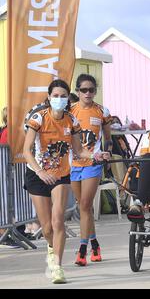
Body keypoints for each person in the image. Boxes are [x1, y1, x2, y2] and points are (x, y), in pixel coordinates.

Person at [23, 79, 109, 284]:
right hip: (37, 174)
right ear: (49, 98)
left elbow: (79, 150)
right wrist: (40, 171)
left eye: (63, 96)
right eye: (55, 96)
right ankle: (51, 250)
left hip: (61, 175)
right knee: (46, 228)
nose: (59, 99)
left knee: (58, 220)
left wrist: (95, 155)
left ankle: (58, 267)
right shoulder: (38, 118)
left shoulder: (72, 120)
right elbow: (26, 151)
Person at [70, 74, 113, 267]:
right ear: (77, 91)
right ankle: (95, 243)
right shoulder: (70, 111)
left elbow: (108, 138)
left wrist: (108, 154)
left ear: (96, 91)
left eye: (91, 90)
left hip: (93, 165)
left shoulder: (102, 111)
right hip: (73, 164)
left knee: (85, 205)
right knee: (83, 207)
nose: (88, 93)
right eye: (84, 90)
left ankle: (82, 250)